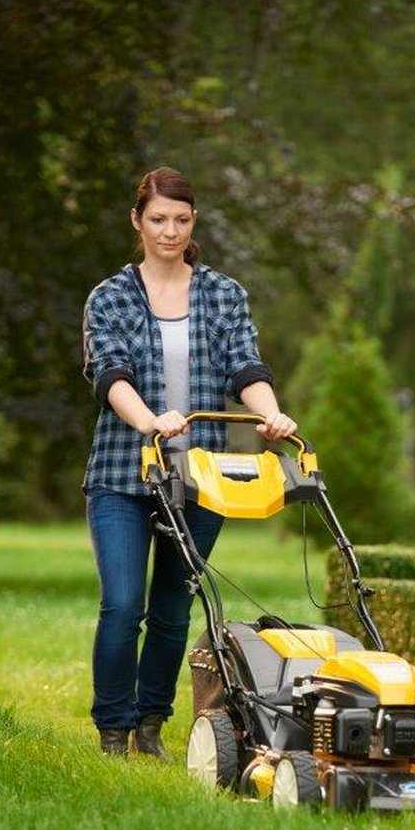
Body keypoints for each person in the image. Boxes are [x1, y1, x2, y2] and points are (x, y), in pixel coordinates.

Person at [82, 166, 296, 759]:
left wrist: (272, 415)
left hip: (201, 479)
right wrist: (151, 420)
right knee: (124, 604)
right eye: (157, 219)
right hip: (123, 473)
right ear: (137, 221)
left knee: (174, 608)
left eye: (180, 219)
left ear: (193, 220)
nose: (169, 231)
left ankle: (150, 724)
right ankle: (112, 728)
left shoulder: (223, 294)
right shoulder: (112, 296)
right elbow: (110, 375)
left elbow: (245, 368)